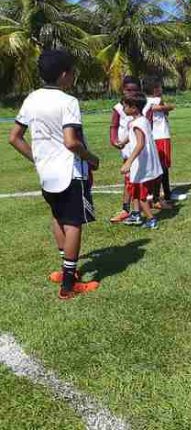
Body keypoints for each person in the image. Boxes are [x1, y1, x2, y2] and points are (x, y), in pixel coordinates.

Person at [8, 50, 101, 300]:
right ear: (63, 75)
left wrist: (37, 158)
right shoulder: (67, 102)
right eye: (72, 72)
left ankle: (65, 270)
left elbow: (14, 137)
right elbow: (71, 142)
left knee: (58, 217)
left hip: (47, 173)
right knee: (73, 224)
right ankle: (69, 285)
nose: (73, 76)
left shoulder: (32, 99)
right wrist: (91, 158)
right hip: (70, 172)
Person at [120, 93, 163, 228]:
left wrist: (128, 162)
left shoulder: (136, 124)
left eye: (125, 106)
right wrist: (123, 142)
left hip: (140, 164)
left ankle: (151, 219)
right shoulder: (142, 121)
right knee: (136, 191)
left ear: (134, 108)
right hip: (146, 164)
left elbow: (140, 143)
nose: (123, 108)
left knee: (141, 195)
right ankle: (136, 215)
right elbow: (134, 136)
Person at [109, 76, 141, 223]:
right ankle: (127, 209)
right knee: (129, 179)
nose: (131, 93)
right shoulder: (118, 108)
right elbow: (114, 126)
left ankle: (137, 209)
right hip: (127, 150)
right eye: (128, 90)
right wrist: (114, 140)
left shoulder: (142, 106)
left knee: (137, 179)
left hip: (140, 150)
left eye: (135, 90)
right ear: (123, 90)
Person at [145, 77, 175, 209]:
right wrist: (169, 106)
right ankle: (165, 196)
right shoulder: (157, 100)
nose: (161, 90)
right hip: (162, 136)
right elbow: (166, 109)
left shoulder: (144, 101)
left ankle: (154, 194)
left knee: (157, 167)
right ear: (155, 89)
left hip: (152, 137)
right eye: (160, 87)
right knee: (163, 167)